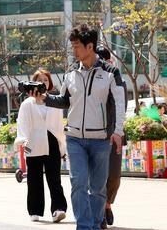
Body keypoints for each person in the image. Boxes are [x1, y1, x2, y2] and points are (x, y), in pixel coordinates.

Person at [34, 24, 125, 230]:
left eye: (76, 46)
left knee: (98, 189)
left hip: (101, 140)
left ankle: (93, 224)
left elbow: (120, 103)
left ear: (90, 46)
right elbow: (64, 101)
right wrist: (44, 98)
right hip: (74, 138)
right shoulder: (71, 72)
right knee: (78, 184)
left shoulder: (111, 72)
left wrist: (118, 131)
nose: (73, 51)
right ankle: (84, 226)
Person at [15, 69, 67, 223]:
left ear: (49, 83)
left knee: (54, 179)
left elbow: (58, 125)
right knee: (34, 178)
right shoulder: (27, 104)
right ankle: (35, 210)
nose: (43, 82)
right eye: (39, 80)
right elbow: (22, 123)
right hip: (33, 143)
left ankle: (59, 209)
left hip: (52, 142)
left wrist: (61, 145)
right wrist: (23, 140)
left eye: (45, 80)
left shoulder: (54, 101)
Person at [95, 47, 128, 229]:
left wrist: (119, 131)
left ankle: (108, 203)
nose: (104, 63)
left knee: (114, 175)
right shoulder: (92, 80)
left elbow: (121, 107)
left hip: (115, 133)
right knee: (98, 175)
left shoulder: (119, 80)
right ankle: (100, 211)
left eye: (106, 59)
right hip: (96, 134)